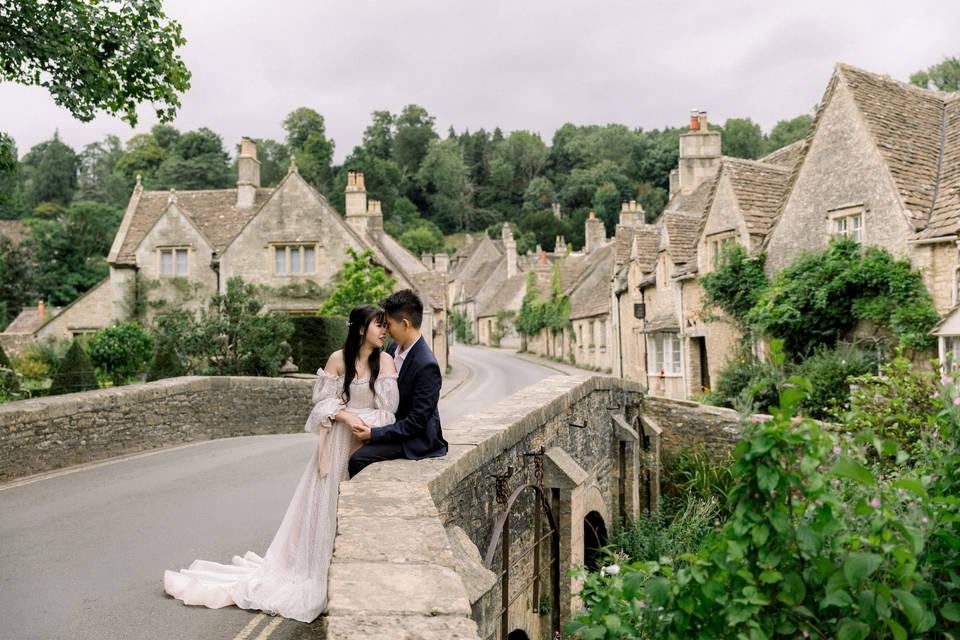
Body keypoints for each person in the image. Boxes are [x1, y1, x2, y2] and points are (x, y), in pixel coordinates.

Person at [162, 304, 398, 623]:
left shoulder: (385, 361)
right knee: (322, 511)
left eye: (385, 325)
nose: (385, 330)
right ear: (360, 329)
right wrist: (343, 414)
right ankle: (315, 570)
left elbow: (388, 412)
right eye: (379, 325)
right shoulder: (337, 359)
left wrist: (355, 419)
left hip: (362, 445)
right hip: (336, 443)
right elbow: (321, 406)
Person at [348, 289, 448, 477]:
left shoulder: (427, 365)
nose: (385, 330)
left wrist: (374, 434)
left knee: (357, 459)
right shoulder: (392, 347)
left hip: (415, 439)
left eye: (388, 324)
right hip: (391, 426)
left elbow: (416, 423)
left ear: (405, 324)